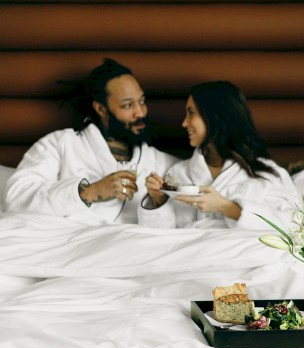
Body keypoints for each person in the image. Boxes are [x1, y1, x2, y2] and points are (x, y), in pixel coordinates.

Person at [3, 58, 179, 224]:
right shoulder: (60, 145)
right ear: (101, 109)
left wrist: (157, 202)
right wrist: (89, 192)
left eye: (142, 101)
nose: (140, 112)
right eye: (127, 105)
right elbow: (16, 199)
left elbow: (191, 216)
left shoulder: (162, 164)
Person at [139, 81, 297, 230]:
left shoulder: (266, 175)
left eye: (191, 113)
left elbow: (295, 225)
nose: (184, 123)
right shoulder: (178, 173)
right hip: (188, 256)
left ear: (215, 117)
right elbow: (159, 239)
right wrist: (157, 201)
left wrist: (227, 208)